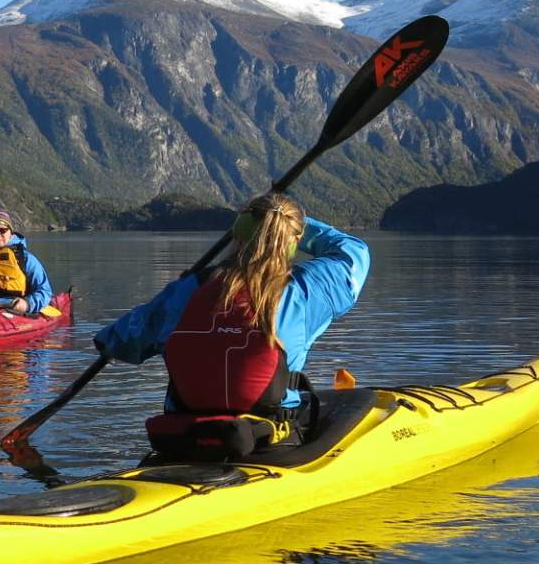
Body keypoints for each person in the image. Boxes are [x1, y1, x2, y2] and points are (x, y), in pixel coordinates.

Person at [93, 192, 370, 460]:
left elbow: (115, 342)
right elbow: (353, 253)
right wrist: (288, 222)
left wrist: (178, 291)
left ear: (237, 234)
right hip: (269, 444)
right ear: (293, 241)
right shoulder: (305, 291)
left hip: (186, 440)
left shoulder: (186, 290)